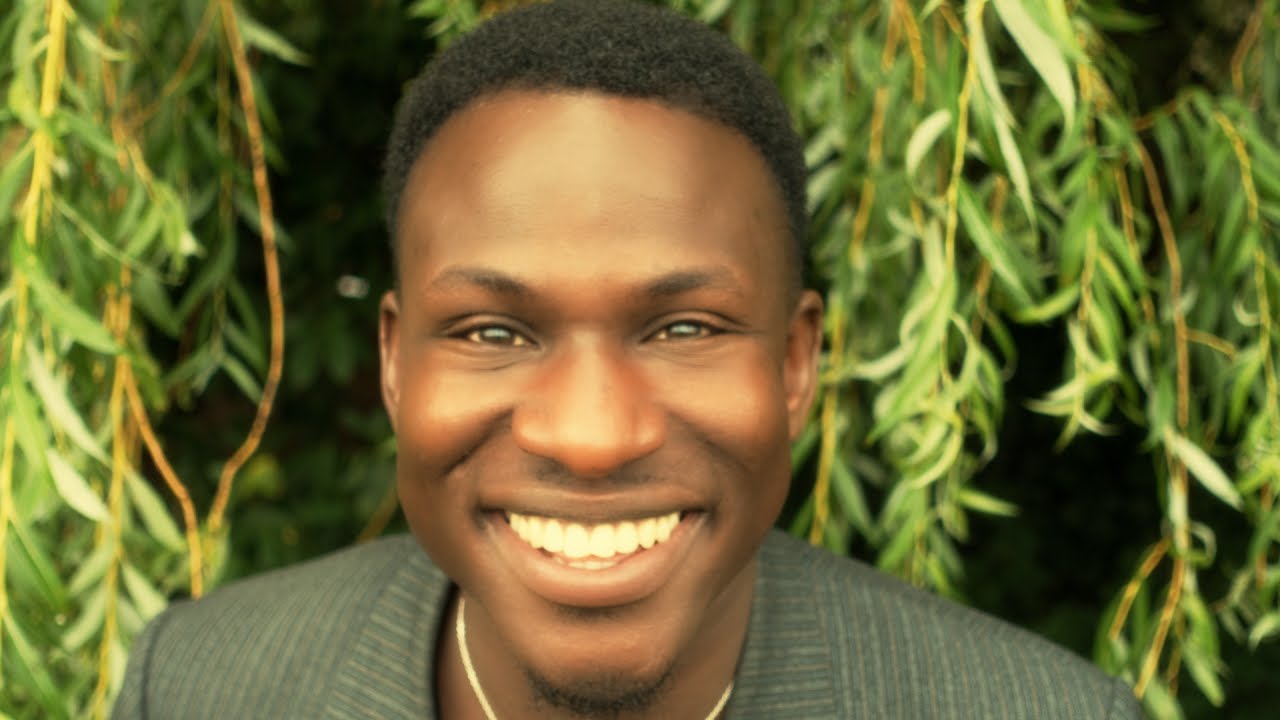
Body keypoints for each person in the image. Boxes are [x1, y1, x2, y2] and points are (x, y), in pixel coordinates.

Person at [113, 1, 1144, 718]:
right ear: (394, 365)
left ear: (794, 367)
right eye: (492, 333)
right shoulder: (198, 687)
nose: (592, 438)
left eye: (684, 329)